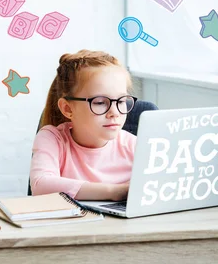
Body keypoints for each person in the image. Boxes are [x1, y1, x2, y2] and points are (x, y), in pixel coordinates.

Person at [29, 49, 137, 201]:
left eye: (120, 101)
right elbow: (41, 185)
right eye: (100, 102)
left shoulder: (135, 146)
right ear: (68, 108)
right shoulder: (53, 139)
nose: (115, 112)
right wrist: (115, 191)